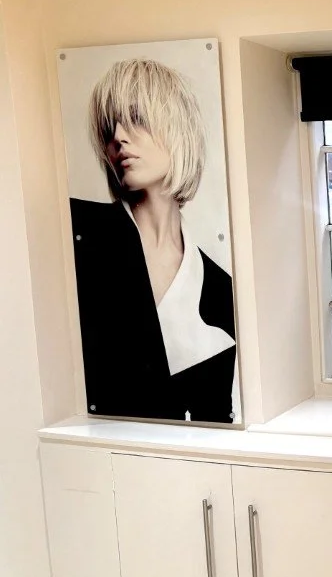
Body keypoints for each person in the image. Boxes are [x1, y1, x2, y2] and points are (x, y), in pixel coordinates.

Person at [71, 58, 236, 423]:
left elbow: (214, 419)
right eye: (109, 126)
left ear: (177, 130)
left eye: (136, 118)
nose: (118, 136)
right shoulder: (75, 231)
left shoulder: (219, 289)